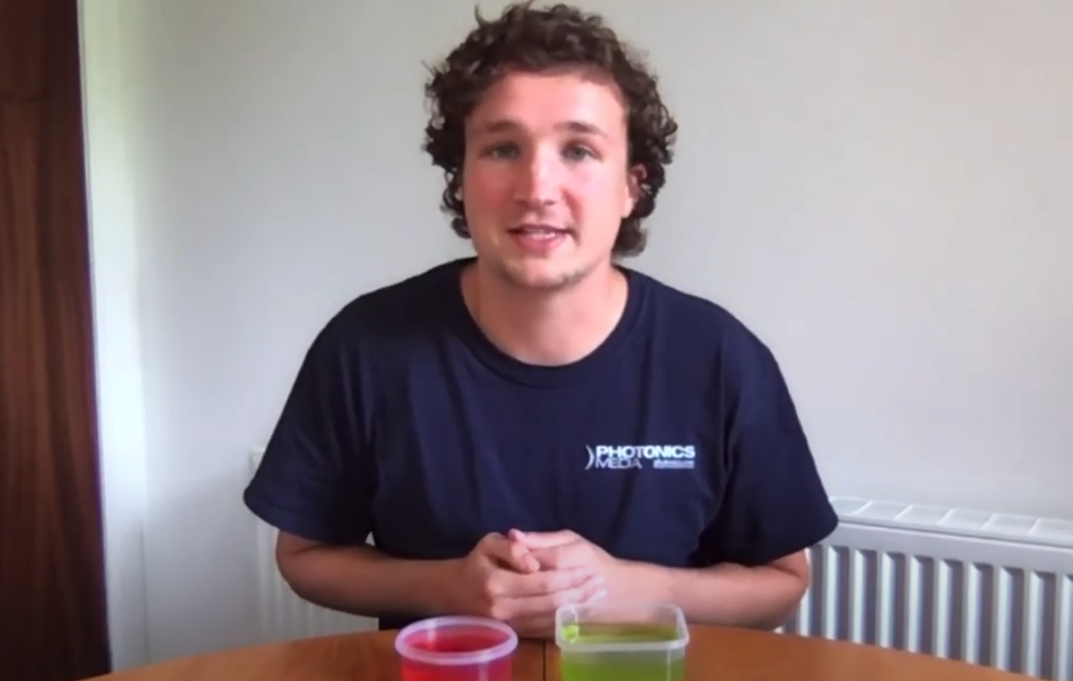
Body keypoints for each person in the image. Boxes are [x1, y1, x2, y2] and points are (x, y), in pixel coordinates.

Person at [243, 1, 838, 639]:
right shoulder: (366, 347)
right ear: (461, 178)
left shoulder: (719, 357)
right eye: (502, 148)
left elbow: (783, 583)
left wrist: (635, 590)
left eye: (579, 150)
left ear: (631, 185)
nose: (537, 187)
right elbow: (302, 555)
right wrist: (447, 587)